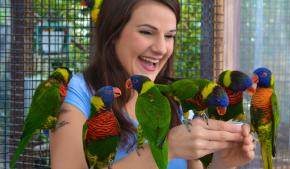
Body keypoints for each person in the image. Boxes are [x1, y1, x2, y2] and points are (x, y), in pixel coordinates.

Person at [50, 0, 256, 169]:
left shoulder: (174, 101)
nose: (161, 48)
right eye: (147, 32)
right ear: (113, 33)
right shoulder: (73, 94)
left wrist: (221, 163)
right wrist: (167, 149)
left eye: (169, 36)